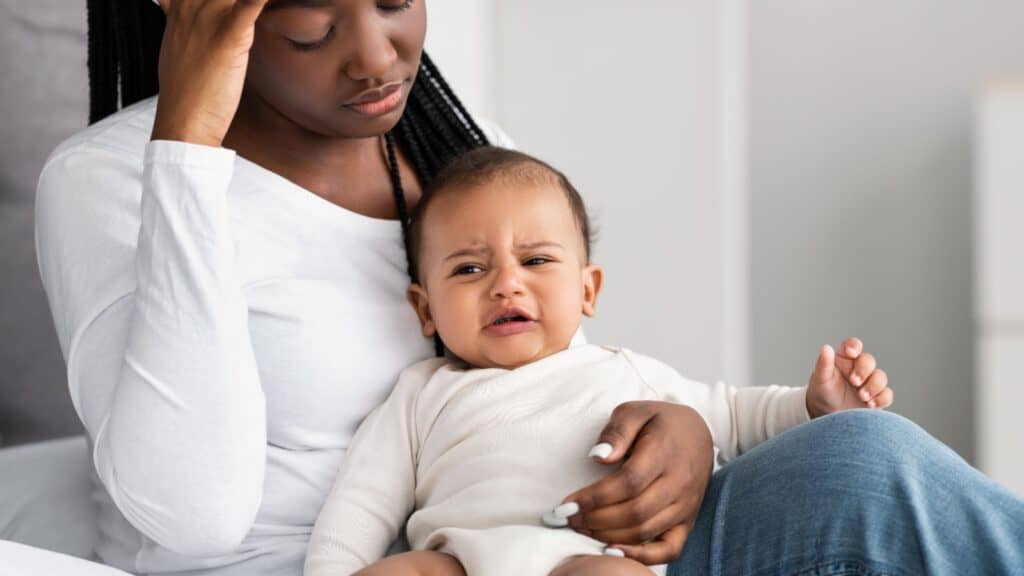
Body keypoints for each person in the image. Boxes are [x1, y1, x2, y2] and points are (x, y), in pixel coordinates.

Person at [30, 0, 1024, 575]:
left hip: (569, 544)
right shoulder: (117, 181)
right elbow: (190, 512)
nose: (379, 59)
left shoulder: (449, 144)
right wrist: (189, 152)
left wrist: (681, 432)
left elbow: (555, 373)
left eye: (392, 0)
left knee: (861, 454)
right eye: (316, 27)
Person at [303, 146, 895, 576]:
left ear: (589, 289)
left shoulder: (624, 376)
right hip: (457, 560)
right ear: (425, 308)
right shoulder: (421, 392)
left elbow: (736, 417)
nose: (506, 285)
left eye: (536, 261)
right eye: (469, 269)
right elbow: (360, 503)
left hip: (583, 559)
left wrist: (815, 407)